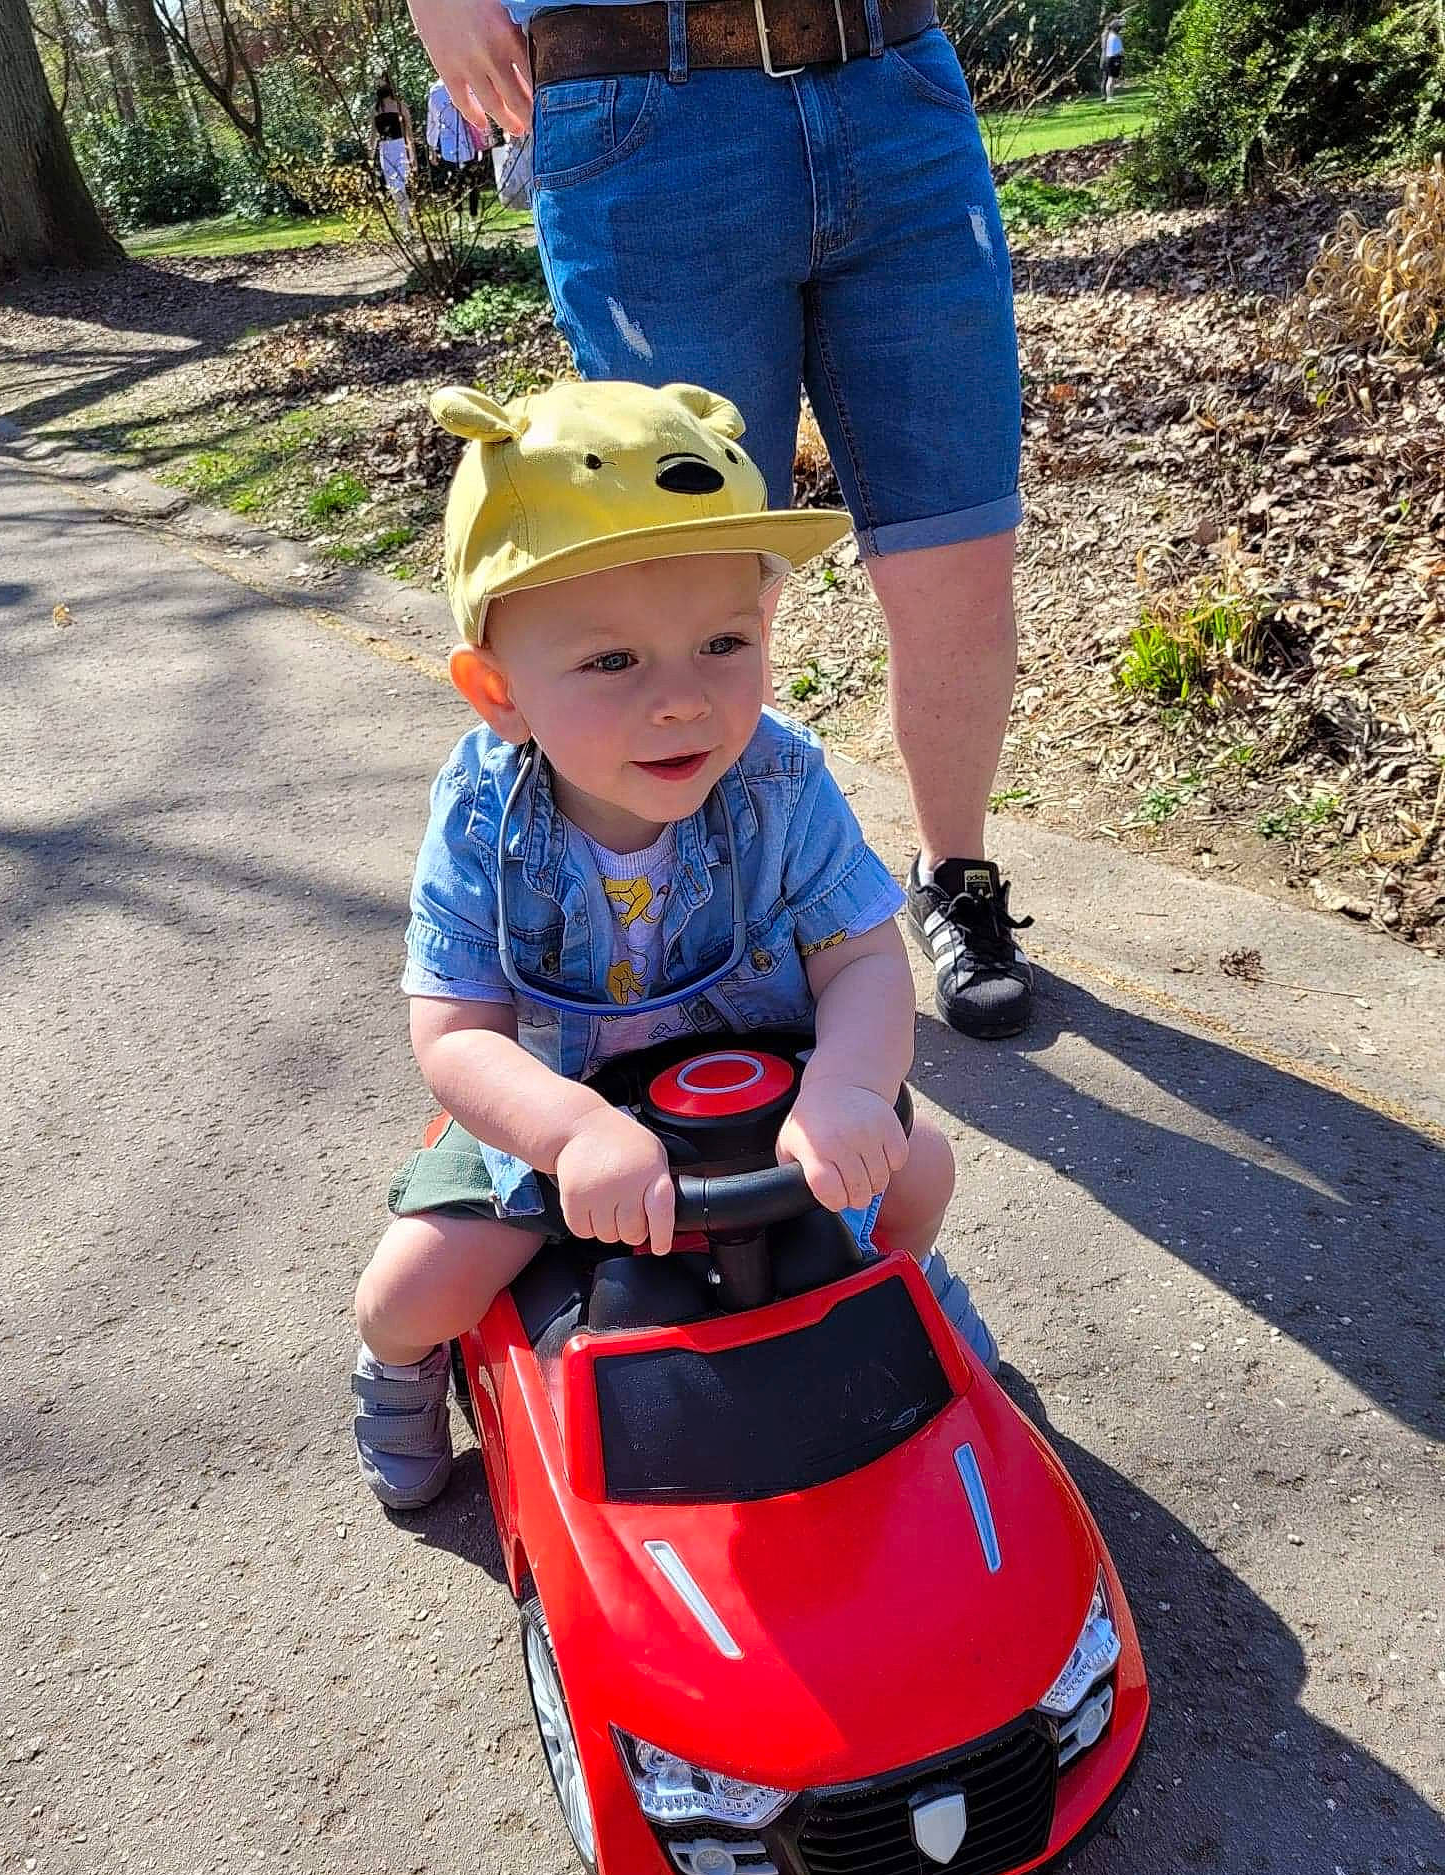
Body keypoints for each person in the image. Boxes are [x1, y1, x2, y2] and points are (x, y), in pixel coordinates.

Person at [350, 378, 1000, 1509]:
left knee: (919, 1169)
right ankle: (398, 1376)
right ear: (498, 693)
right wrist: (568, 1132)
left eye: (719, 643)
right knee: (414, 1286)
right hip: (561, 1101)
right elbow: (455, 1031)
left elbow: (858, 955)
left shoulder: (779, 777)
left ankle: (905, 1283)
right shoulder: (479, 813)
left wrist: (848, 1089)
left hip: (759, 1094)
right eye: (611, 664)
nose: (681, 704)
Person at [405, 0, 1036, 1042]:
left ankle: (954, 879)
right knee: (678, 586)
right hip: (638, 98)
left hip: (894, 78)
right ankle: (713, 924)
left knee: (957, 557)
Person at [369, 76, 417, 234]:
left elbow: (409, 133)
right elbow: (374, 135)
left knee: (401, 184)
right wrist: (370, 157)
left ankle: (406, 222)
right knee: (393, 186)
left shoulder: (400, 106)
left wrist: (412, 156)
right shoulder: (375, 109)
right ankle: (405, 219)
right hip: (384, 149)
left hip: (399, 146)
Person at [1100, 16, 1125, 100]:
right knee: (1111, 78)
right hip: (1113, 58)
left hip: (1110, 58)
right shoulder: (1115, 37)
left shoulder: (1109, 36)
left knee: (1111, 78)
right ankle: (1109, 96)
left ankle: (1110, 96)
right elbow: (1119, 50)